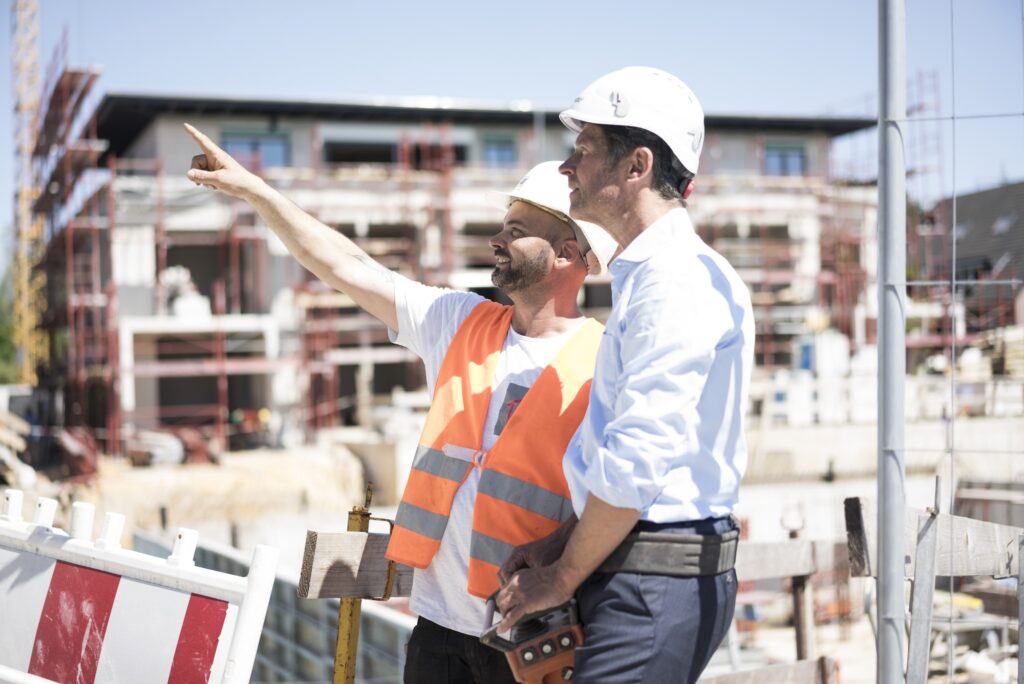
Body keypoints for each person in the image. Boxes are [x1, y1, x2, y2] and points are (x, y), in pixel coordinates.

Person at [182, 129, 616, 683]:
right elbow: (346, 264)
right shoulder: (459, 321)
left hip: (527, 638)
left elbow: (613, 499)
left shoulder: (606, 362)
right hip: (437, 629)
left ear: (567, 254)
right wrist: (257, 192)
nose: (496, 240)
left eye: (516, 231)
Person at [495, 66, 755, 683]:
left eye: (584, 150)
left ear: (637, 166)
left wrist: (560, 578)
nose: (567, 167)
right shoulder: (658, 276)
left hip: (650, 587)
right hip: (645, 576)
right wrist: (565, 540)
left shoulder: (672, 282)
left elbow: (638, 461)